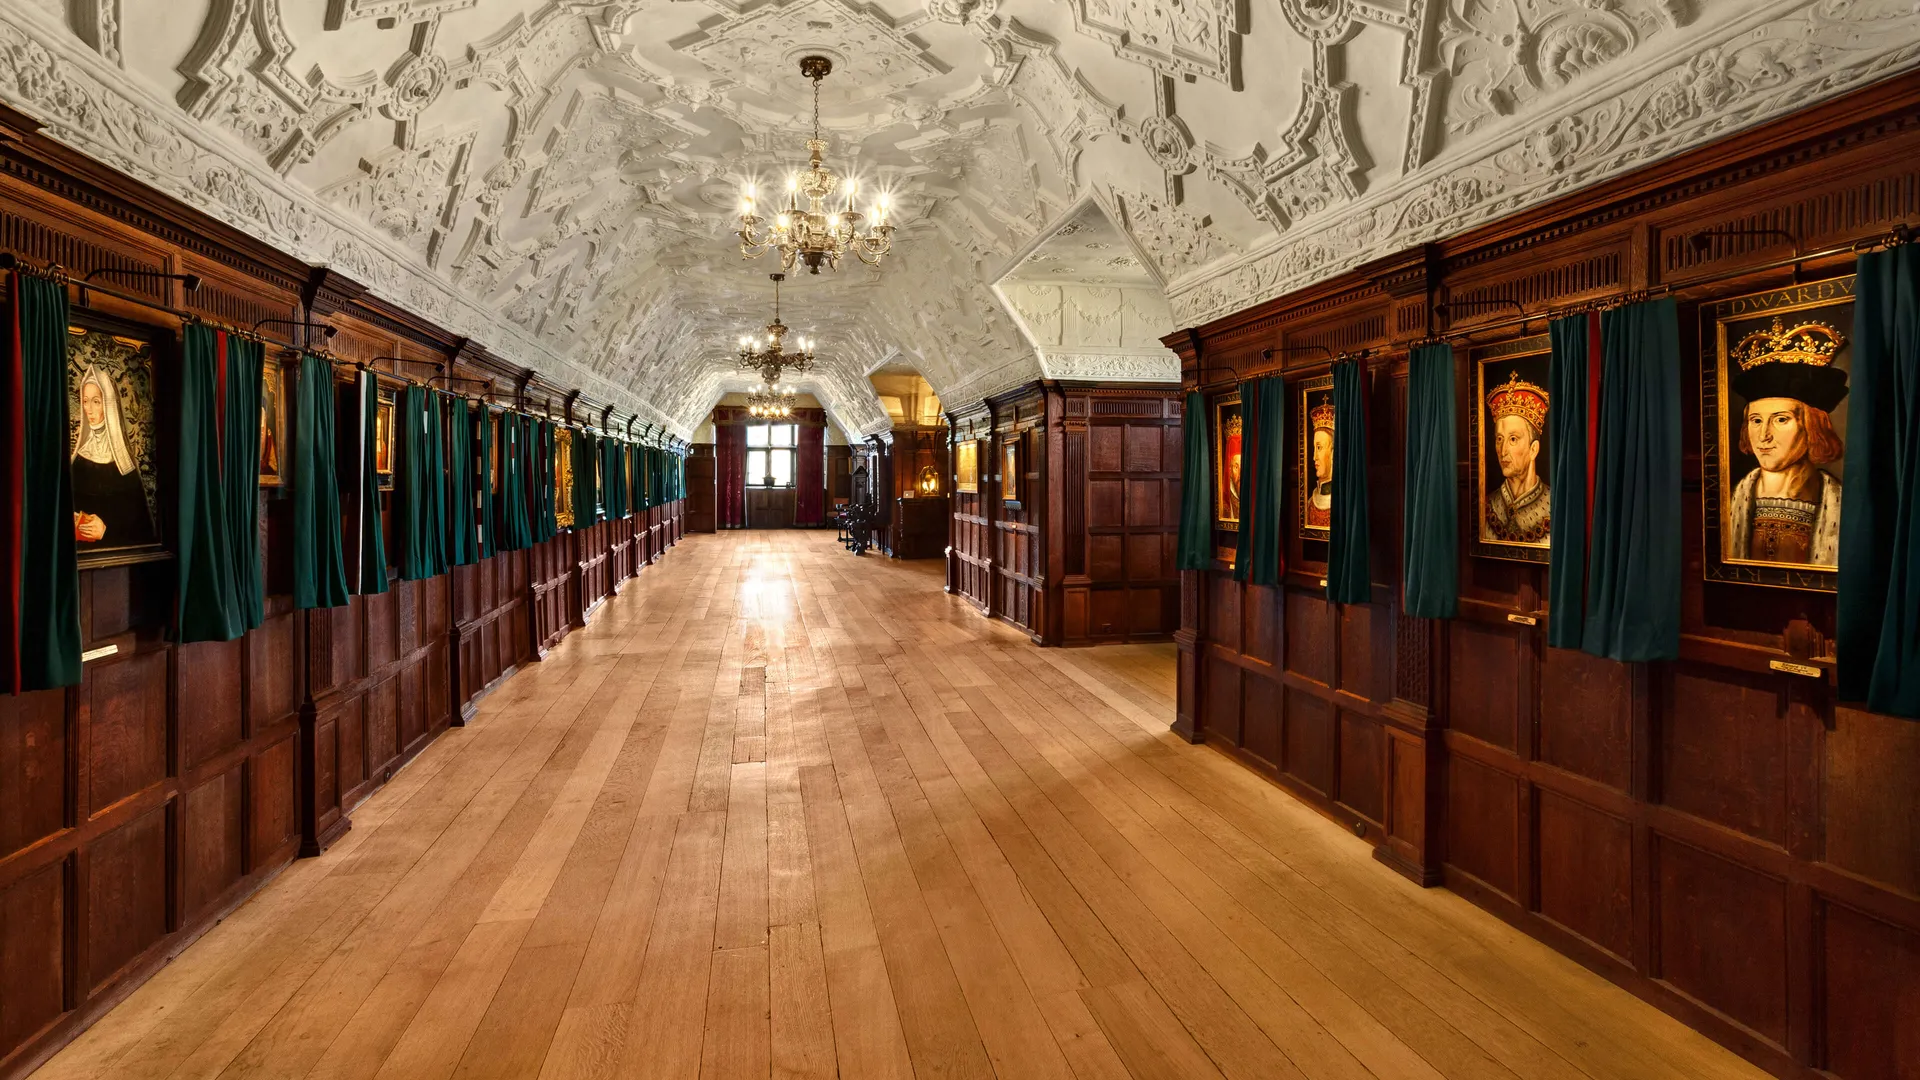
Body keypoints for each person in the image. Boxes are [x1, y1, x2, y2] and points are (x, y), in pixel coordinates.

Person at [1726, 316, 1847, 566]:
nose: (1763, 436)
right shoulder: (1737, 496)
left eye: (1781, 420)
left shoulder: (1837, 501)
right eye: (1756, 421)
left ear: (1811, 427)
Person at [70, 365, 155, 548]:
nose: (89, 409)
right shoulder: (78, 459)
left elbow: (140, 526)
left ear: (107, 404)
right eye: (85, 401)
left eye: (96, 401)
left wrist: (106, 529)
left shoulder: (123, 462)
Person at [1484, 372, 1550, 543]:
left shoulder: (1554, 504)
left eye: (1513, 439)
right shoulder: (1487, 505)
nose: (1503, 450)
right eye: (1499, 439)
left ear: (1533, 449)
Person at [1307, 401, 1333, 529]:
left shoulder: (1344, 503)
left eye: (1319, 447)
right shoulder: (1310, 504)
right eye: (1314, 448)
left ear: (1333, 453)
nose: (1314, 457)